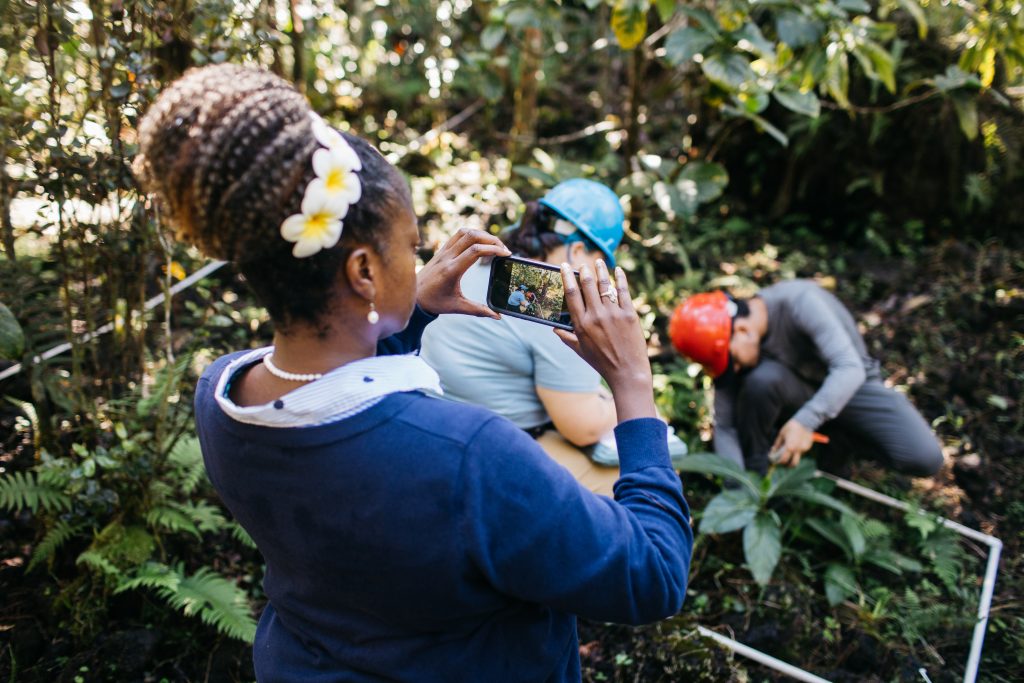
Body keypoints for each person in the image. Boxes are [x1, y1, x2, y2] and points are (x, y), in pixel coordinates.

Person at [135, 64, 692, 682]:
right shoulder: (469, 456)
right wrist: (635, 388)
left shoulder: (220, 396)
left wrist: (411, 309)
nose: (423, 258)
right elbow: (653, 577)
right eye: (411, 245)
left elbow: (336, 414)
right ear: (363, 272)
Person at [421, 180, 687, 470]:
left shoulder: (486, 264)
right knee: (639, 477)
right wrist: (642, 410)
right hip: (485, 451)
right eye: (599, 261)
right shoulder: (551, 298)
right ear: (576, 251)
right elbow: (582, 426)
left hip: (437, 424)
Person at [669, 280, 945, 477]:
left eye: (733, 361)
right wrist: (738, 489)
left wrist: (806, 421)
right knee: (761, 380)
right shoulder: (731, 346)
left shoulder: (799, 302)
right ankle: (760, 470)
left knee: (924, 457)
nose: (734, 370)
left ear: (742, 329)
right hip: (793, 393)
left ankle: (842, 442)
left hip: (853, 390)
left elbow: (849, 368)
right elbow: (725, 426)